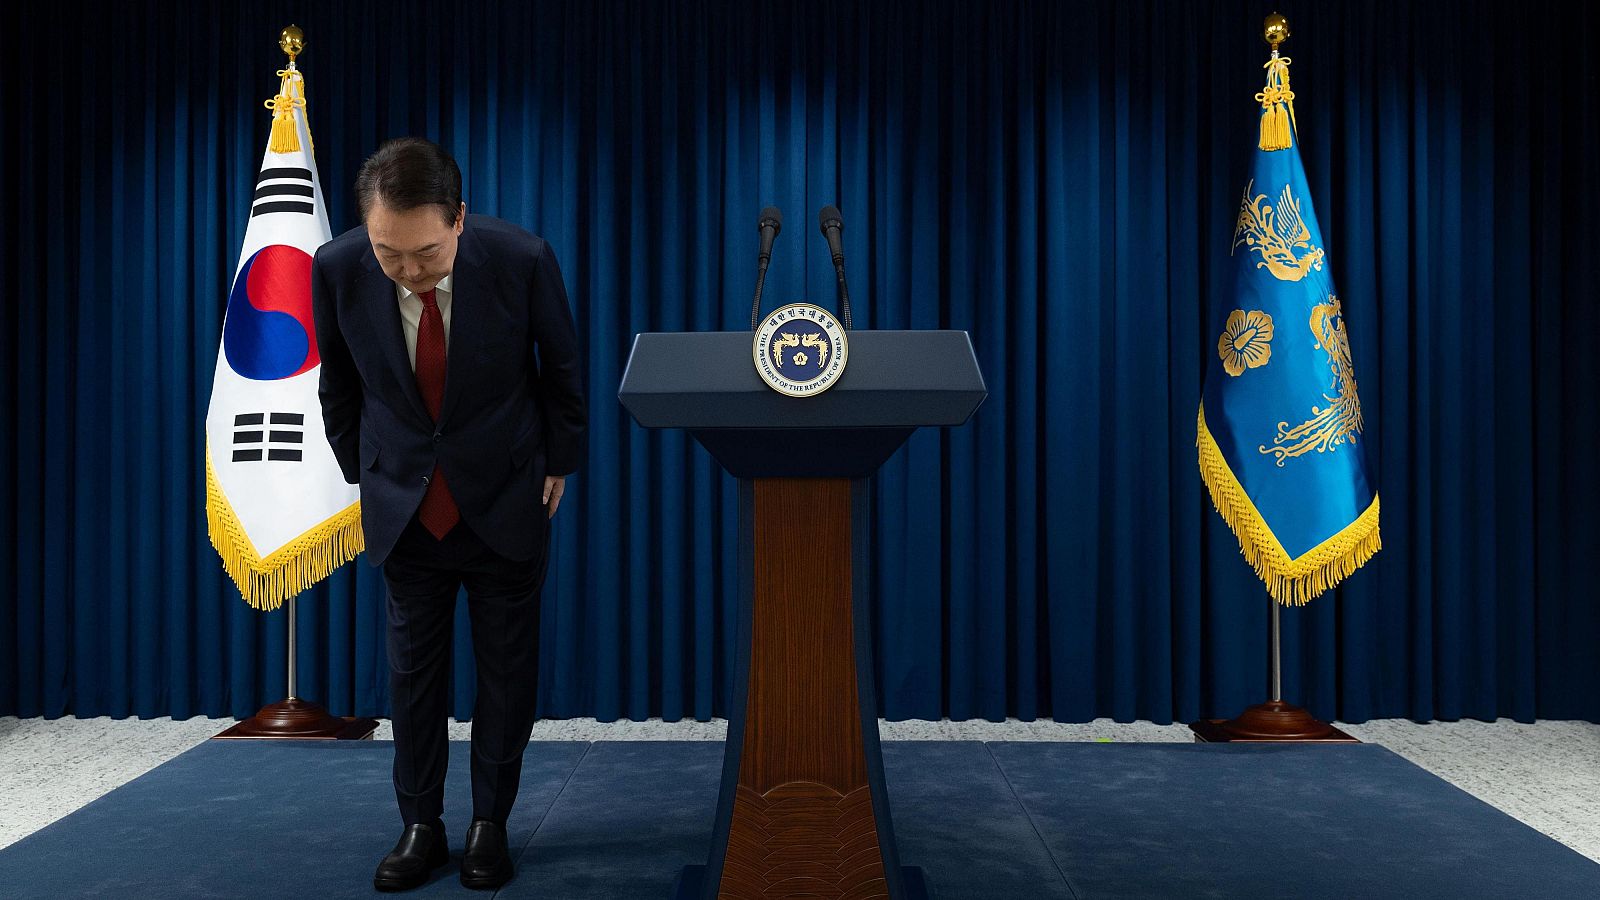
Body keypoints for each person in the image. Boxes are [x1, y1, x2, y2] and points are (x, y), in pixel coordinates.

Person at [310, 137, 586, 892]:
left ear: (460, 219)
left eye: (425, 253)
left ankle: (489, 822)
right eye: (387, 253)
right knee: (413, 680)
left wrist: (560, 458)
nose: (406, 270)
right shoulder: (335, 267)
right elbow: (338, 390)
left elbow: (560, 367)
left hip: (503, 498)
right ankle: (421, 824)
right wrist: (366, 479)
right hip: (403, 509)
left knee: (505, 673)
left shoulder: (522, 259)